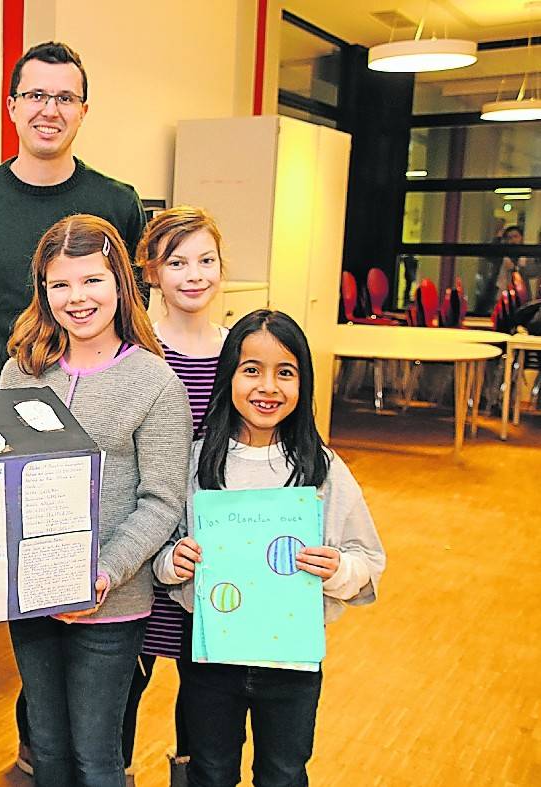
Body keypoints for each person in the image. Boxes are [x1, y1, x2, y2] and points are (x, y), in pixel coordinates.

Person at [0, 41, 146, 787]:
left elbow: (133, 306)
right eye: (34, 95)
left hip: (81, 441)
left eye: (64, 97)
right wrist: (16, 363)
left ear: (83, 109)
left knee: (57, 605)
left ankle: (36, 753)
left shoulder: (115, 201)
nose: (49, 109)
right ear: (12, 106)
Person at [153, 310, 386, 787]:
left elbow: (368, 559)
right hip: (211, 657)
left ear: (304, 383)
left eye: (285, 372)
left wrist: (338, 568)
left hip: (292, 663)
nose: (268, 387)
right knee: (210, 771)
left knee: (283, 772)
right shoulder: (197, 462)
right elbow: (163, 548)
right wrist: (172, 563)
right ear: (229, 377)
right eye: (251, 370)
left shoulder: (321, 467)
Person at [0, 214, 192, 786]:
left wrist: (106, 570)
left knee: (96, 754)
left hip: (111, 601)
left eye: (92, 281)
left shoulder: (155, 381)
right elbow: (2, 480)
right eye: (61, 284)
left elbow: (161, 502)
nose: (77, 298)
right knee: (47, 749)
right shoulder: (20, 373)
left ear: (120, 285)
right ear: (43, 291)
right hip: (32, 596)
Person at [122, 207, 228, 785]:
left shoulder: (237, 346)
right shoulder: (138, 350)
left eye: (206, 261)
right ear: (152, 272)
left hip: (209, 549)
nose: (195, 275)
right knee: (127, 680)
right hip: (145, 539)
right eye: (177, 262)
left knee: (203, 685)